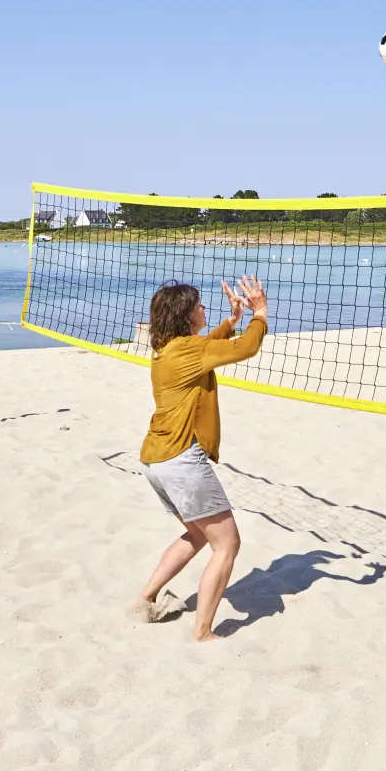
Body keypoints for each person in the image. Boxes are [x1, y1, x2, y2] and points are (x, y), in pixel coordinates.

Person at [131, 275, 271, 642]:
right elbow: (246, 350)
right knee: (227, 545)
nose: (204, 308)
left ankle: (145, 598)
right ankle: (203, 632)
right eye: (199, 305)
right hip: (180, 461)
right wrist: (260, 313)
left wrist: (230, 321)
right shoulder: (190, 351)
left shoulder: (167, 347)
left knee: (195, 534)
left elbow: (205, 345)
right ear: (187, 315)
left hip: (154, 461)